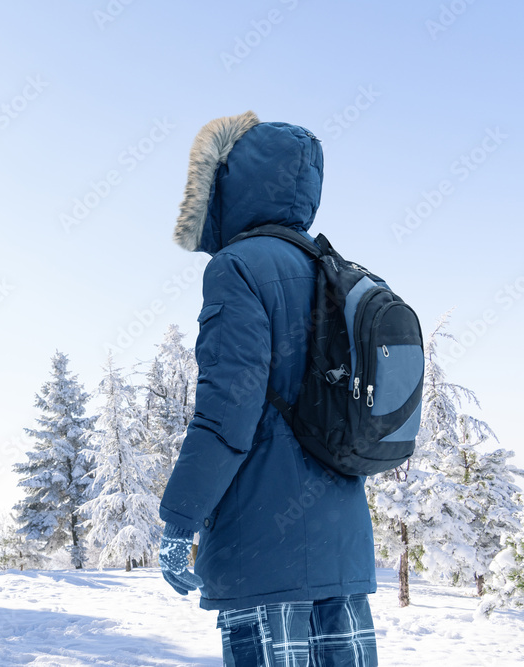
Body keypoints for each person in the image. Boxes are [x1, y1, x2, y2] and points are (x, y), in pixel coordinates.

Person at [158, 111, 380, 667]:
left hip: (263, 549)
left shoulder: (237, 267)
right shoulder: (336, 270)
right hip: (344, 550)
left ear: (228, 185)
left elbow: (228, 412)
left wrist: (180, 520)